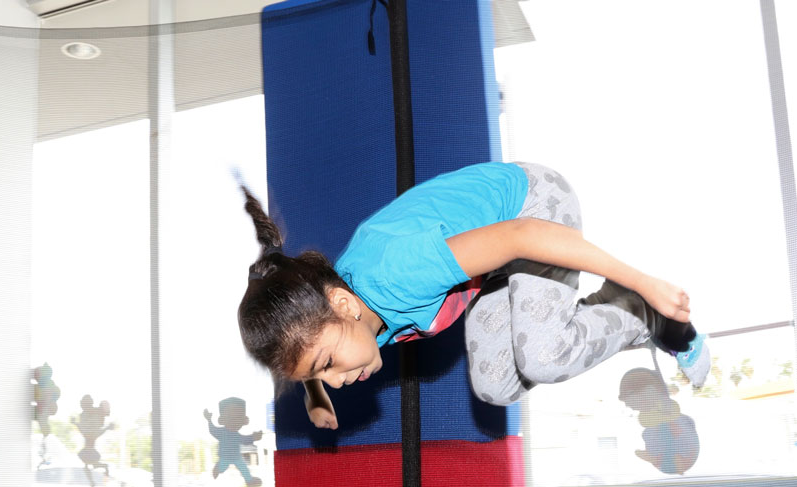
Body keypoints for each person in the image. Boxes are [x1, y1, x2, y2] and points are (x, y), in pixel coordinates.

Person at [237, 162, 709, 430]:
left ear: (343, 306)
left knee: (542, 357)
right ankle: (617, 305)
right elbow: (312, 347)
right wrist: (315, 394)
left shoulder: (398, 275)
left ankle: (641, 310)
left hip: (532, 208)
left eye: (326, 367)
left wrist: (645, 280)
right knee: (495, 386)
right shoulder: (346, 321)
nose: (338, 381)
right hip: (493, 264)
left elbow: (523, 234)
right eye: (319, 373)